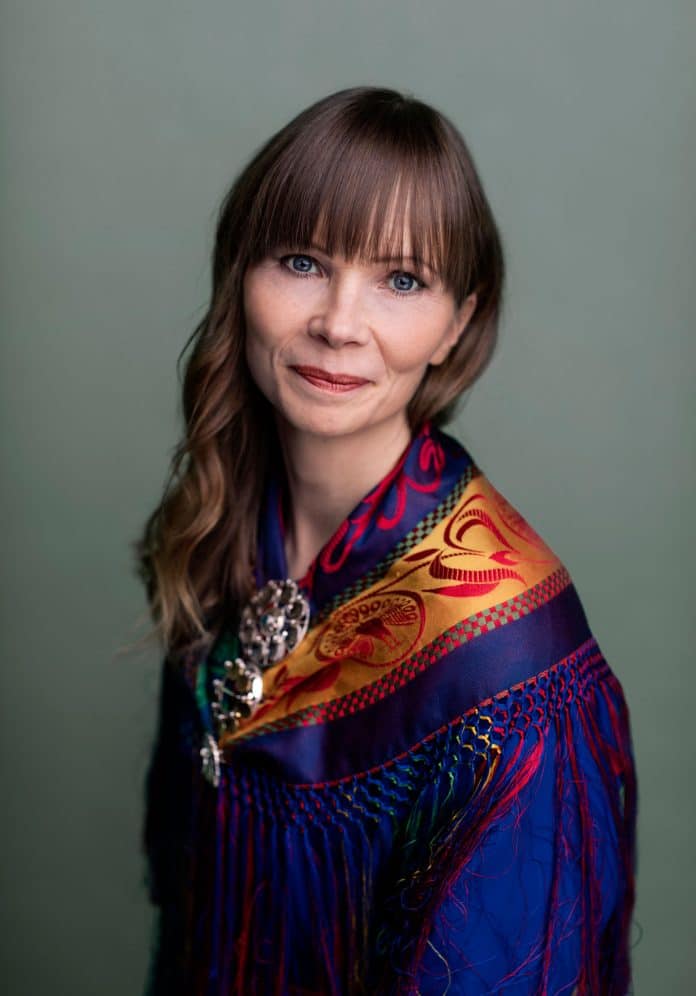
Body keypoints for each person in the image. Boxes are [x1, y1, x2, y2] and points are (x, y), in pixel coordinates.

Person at [136, 86, 637, 995]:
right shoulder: (220, 524)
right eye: (300, 261)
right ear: (238, 275)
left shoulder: (510, 669)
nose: (339, 322)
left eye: (402, 281)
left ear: (458, 323)